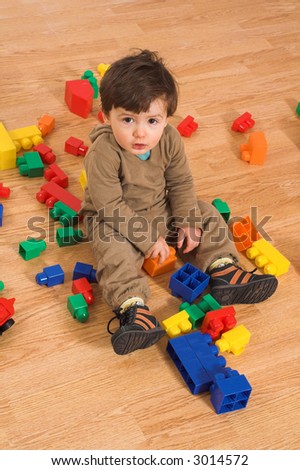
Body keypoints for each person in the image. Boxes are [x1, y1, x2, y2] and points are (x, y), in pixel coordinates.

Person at [80, 49, 278, 355]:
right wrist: (147, 240)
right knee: (112, 248)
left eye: (152, 120)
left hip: (159, 208)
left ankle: (223, 268)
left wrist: (187, 220)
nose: (140, 132)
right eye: (127, 119)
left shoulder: (169, 139)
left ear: (167, 118)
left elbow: (180, 182)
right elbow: (110, 207)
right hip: (113, 220)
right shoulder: (103, 153)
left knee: (206, 212)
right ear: (107, 116)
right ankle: (134, 309)